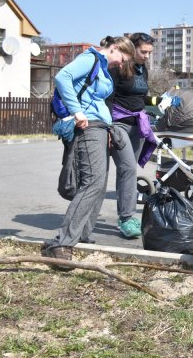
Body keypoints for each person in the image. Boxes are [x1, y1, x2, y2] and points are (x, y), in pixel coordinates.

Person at [42, 36, 135, 267]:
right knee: (92, 182)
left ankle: (81, 235)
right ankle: (62, 243)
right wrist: (77, 111)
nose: (121, 64)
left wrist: (109, 128)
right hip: (88, 126)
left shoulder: (102, 67)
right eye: (122, 59)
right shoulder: (91, 59)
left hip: (101, 127)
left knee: (99, 184)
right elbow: (62, 77)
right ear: (114, 48)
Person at [107, 32, 157, 239]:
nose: (146, 56)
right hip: (118, 123)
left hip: (137, 124)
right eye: (143, 51)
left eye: (149, 53)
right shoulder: (118, 67)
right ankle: (127, 218)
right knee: (127, 167)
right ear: (131, 48)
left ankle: (124, 215)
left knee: (127, 171)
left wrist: (160, 101)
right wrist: (107, 127)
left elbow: (141, 97)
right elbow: (107, 98)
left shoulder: (142, 69)